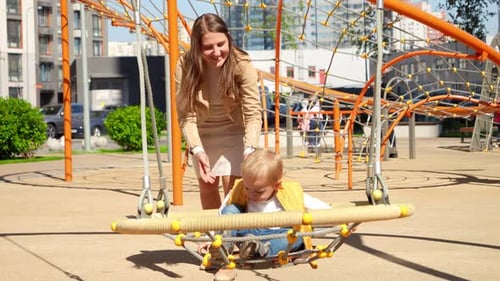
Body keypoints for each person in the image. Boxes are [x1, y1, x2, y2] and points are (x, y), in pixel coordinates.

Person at [175, 13, 262, 210]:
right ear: (197, 47)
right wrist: (196, 149)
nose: (216, 52)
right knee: (207, 184)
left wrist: (250, 148)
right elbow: (186, 114)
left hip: (235, 129)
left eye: (221, 44)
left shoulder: (242, 63)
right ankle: (215, 236)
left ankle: (234, 236)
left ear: (228, 39)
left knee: (235, 189)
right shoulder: (185, 65)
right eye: (208, 47)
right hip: (203, 130)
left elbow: (253, 113)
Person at [212, 149, 331, 281]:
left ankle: (258, 250)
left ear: (277, 185)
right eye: (247, 188)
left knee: (296, 237)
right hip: (247, 234)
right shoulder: (240, 189)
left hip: (278, 235)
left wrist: (341, 219)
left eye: (259, 192)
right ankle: (223, 246)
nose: (250, 194)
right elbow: (222, 214)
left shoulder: (289, 192)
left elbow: (319, 207)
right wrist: (212, 237)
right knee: (231, 209)